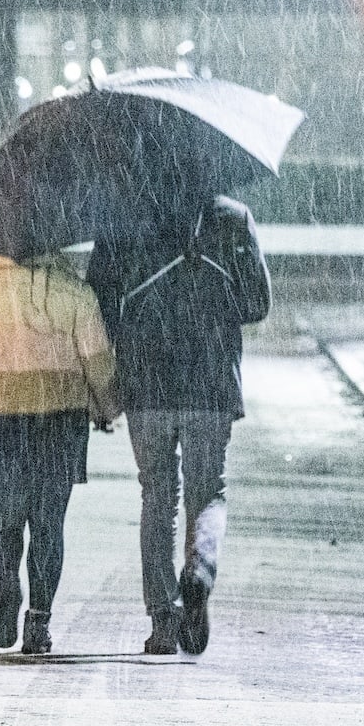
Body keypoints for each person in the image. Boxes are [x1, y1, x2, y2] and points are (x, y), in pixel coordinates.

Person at [88, 194, 270, 656]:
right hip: (210, 385)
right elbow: (257, 304)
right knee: (207, 493)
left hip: (147, 383)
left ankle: (163, 620)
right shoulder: (232, 217)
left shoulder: (122, 217)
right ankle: (200, 571)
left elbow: (99, 307)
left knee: (157, 497)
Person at [0, 251, 119, 655]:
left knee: (3, 513)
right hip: (60, 416)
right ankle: (39, 621)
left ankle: (6, 584)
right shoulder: (75, 292)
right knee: (49, 523)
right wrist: (106, 407)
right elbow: (96, 359)